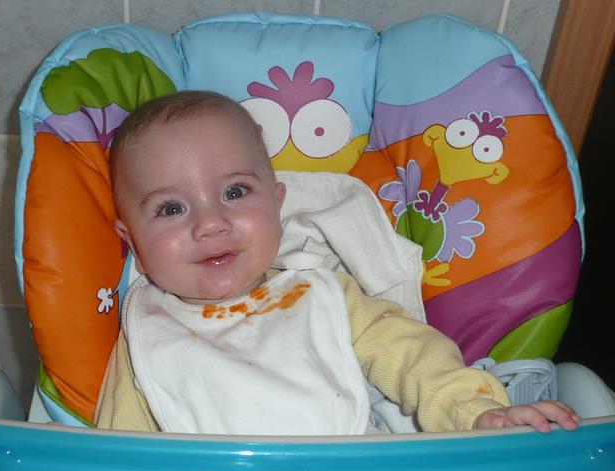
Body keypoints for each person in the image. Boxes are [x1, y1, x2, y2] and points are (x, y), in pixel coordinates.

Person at [96, 90, 580, 435]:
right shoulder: (146, 330)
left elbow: (414, 357)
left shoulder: (322, 295)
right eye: (171, 208)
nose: (210, 224)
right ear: (133, 242)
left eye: (235, 192)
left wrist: (474, 412)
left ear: (278, 206)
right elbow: (121, 447)